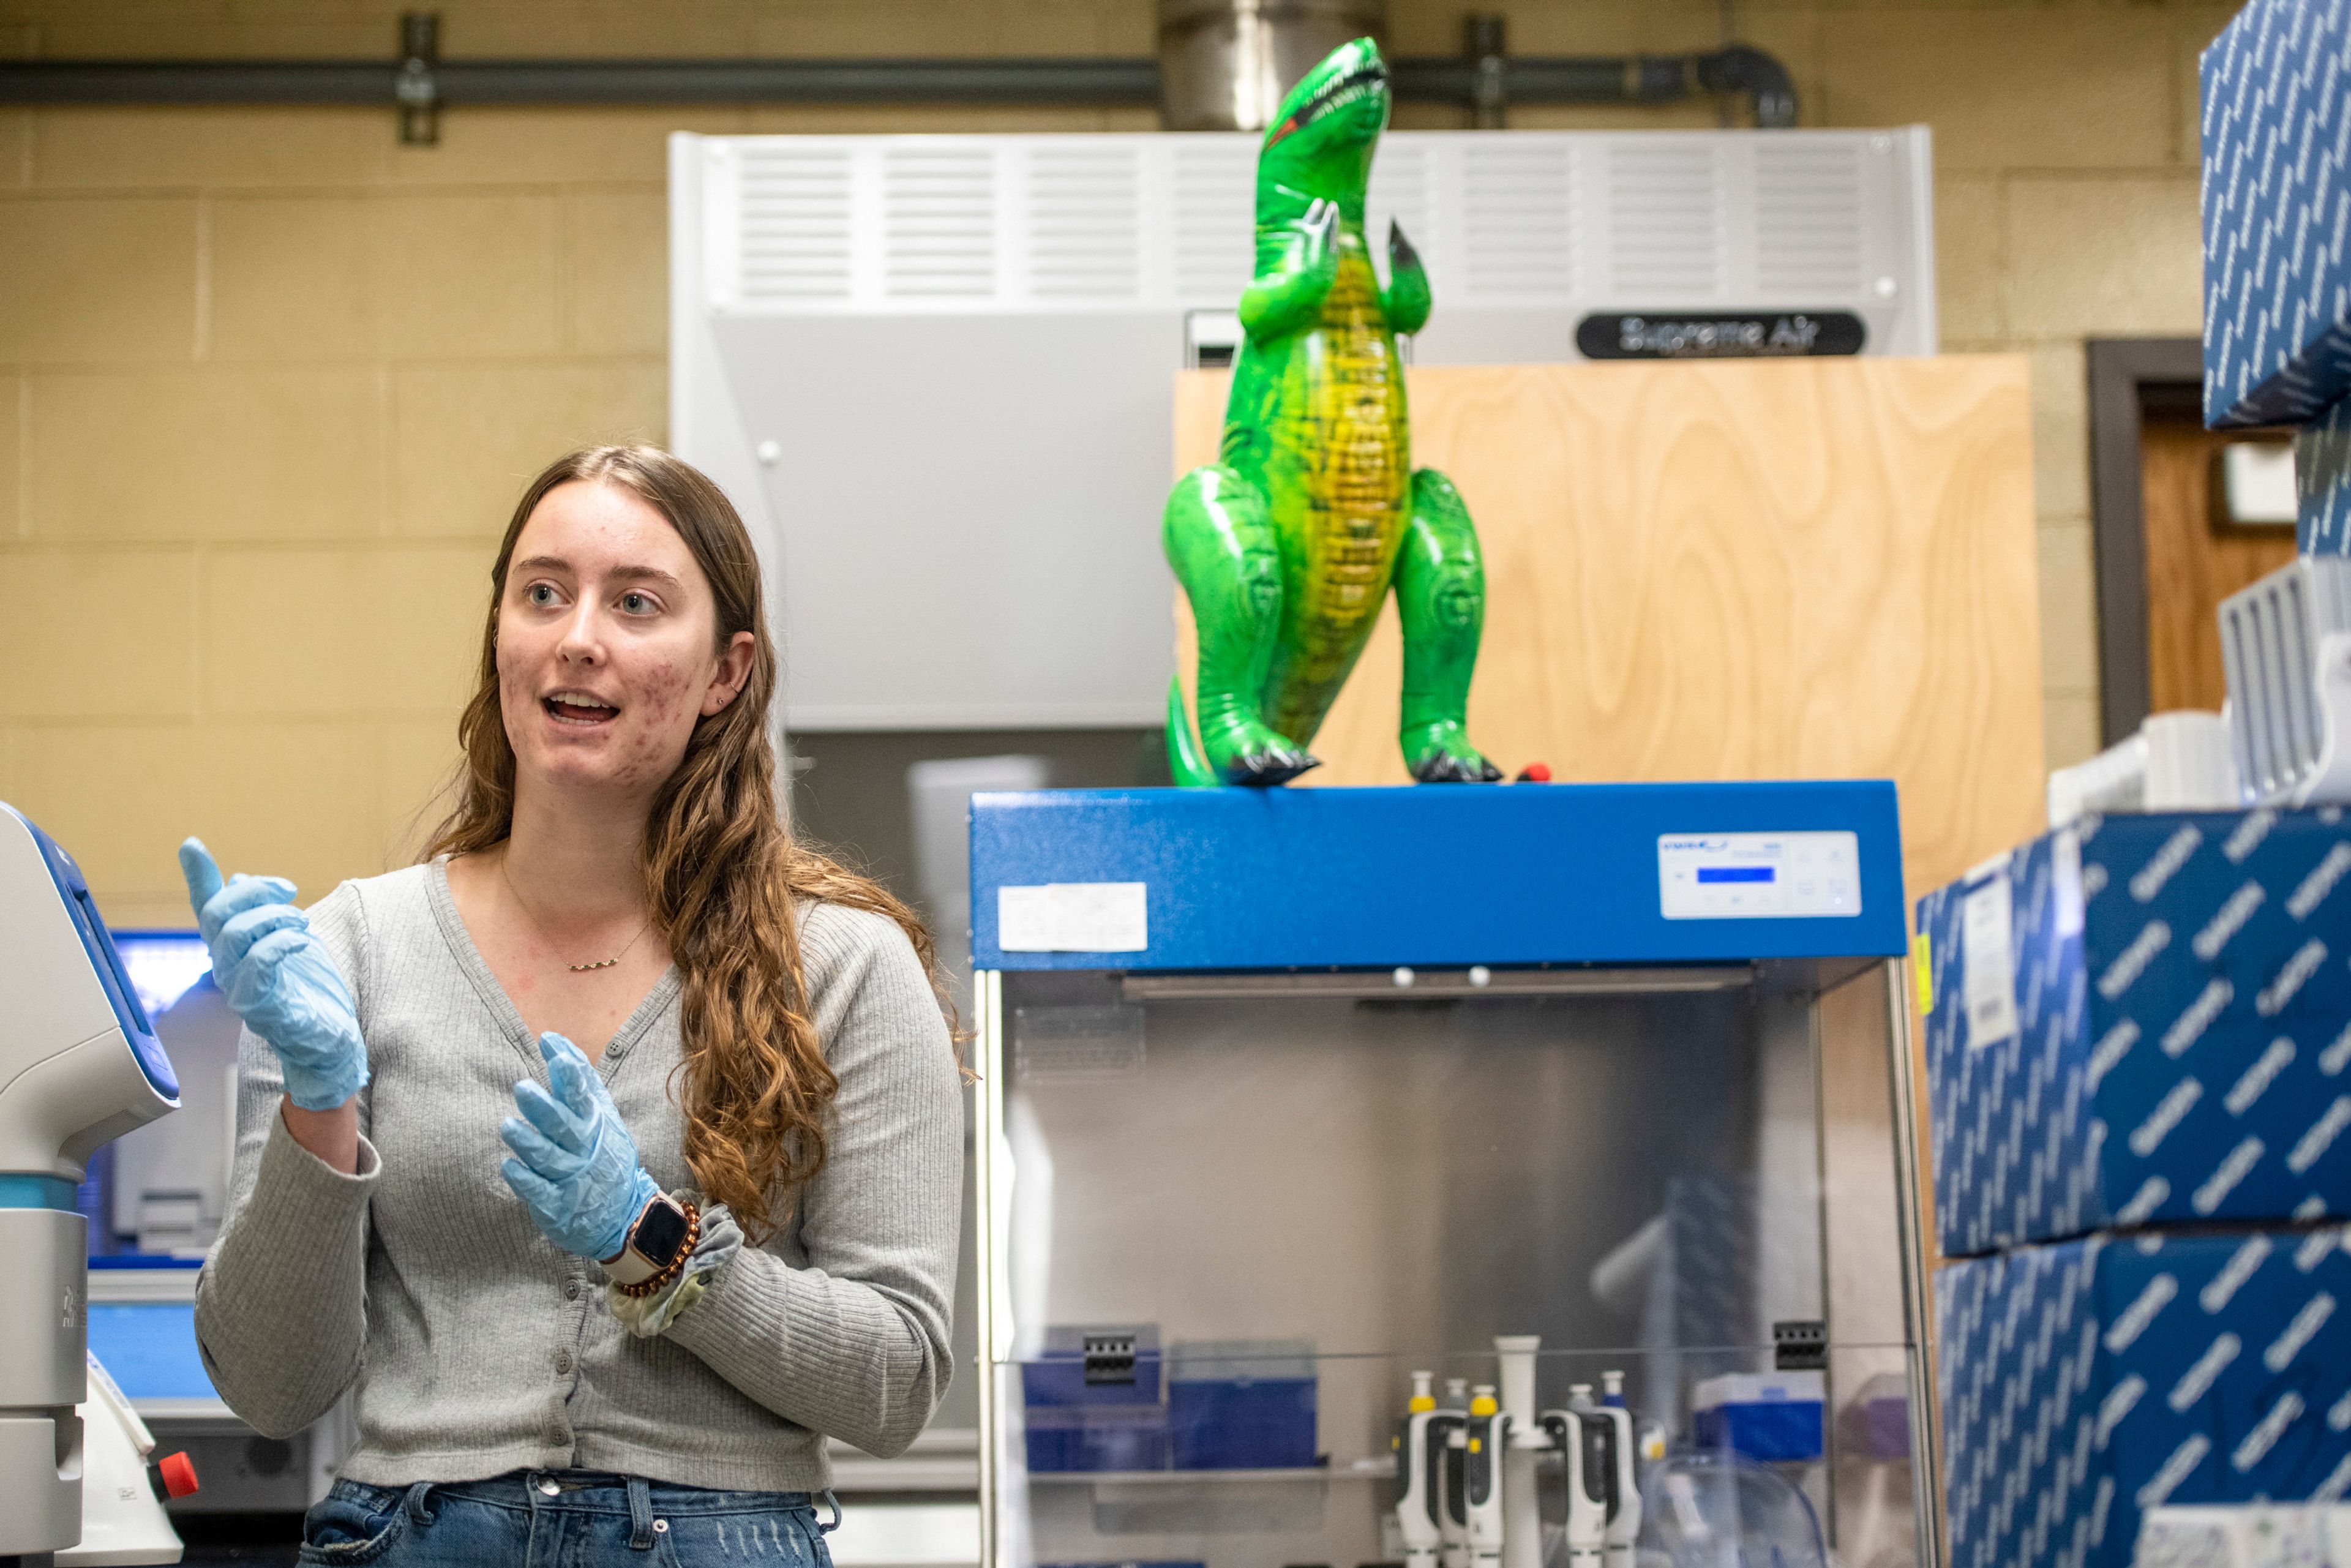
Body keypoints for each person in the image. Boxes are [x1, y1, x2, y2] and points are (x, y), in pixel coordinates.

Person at [181, 446, 962, 1563]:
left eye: (636, 602)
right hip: (406, 1536)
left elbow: (896, 1381)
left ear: (728, 670)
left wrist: (656, 1246)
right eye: (542, 592)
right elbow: (269, 1385)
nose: (577, 634)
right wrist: (321, 1105)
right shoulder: (351, 948)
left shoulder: (843, 965)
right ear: (501, 634)